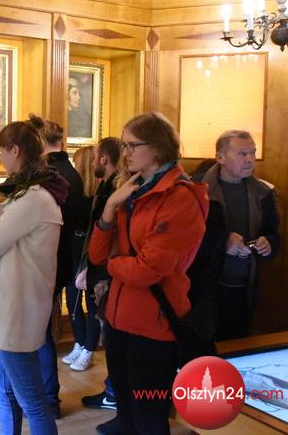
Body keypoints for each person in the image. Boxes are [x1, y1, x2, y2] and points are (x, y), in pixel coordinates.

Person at [88, 112, 208, 435]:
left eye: (132, 145)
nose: (125, 153)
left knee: (150, 417)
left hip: (154, 325)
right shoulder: (131, 190)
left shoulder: (180, 197)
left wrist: (113, 263)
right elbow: (96, 255)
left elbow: (147, 271)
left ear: (157, 147)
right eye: (123, 145)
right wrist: (110, 207)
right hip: (119, 319)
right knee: (126, 412)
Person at [0, 116, 69, 435]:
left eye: (1, 150)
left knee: (33, 402)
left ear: (15, 150)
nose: (0, 158)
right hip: (14, 308)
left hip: (17, 311)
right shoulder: (30, 196)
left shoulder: (32, 200)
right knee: (4, 390)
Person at [199, 130, 280, 341]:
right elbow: (188, 239)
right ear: (220, 157)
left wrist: (268, 244)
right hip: (206, 288)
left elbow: (273, 233)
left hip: (244, 288)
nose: (250, 159)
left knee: (237, 344)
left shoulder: (263, 192)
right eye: (242, 154)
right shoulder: (197, 189)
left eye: (253, 153)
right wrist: (223, 242)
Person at [28, 116, 84, 418]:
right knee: (43, 330)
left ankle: (48, 399)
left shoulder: (48, 176)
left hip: (46, 263)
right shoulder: (71, 172)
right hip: (64, 262)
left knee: (39, 333)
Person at [78, 138, 122, 418]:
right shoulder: (107, 188)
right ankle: (112, 390)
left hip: (108, 275)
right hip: (101, 272)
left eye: (96, 157)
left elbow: (109, 236)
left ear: (104, 158)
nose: (94, 162)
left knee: (114, 339)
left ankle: (115, 394)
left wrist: (100, 271)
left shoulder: (115, 190)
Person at [61, 146, 99, 372]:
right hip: (75, 248)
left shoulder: (98, 193)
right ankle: (80, 342)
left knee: (92, 301)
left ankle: (89, 348)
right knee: (73, 297)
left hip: (90, 249)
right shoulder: (76, 191)